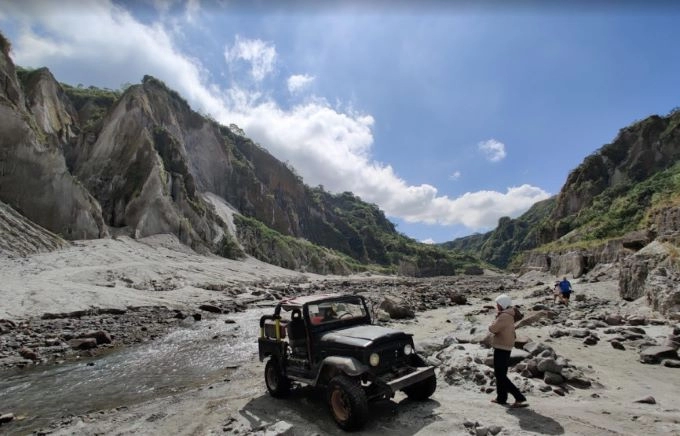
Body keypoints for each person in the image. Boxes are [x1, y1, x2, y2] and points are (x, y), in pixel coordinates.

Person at [488, 294, 528, 408]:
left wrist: (491, 323)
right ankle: (501, 398)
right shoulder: (509, 314)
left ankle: (519, 397)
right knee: (501, 373)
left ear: (502, 304)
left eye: (498, 304)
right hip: (505, 345)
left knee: (499, 374)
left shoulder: (504, 316)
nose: (496, 305)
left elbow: (493, 328)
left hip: (502, 346)